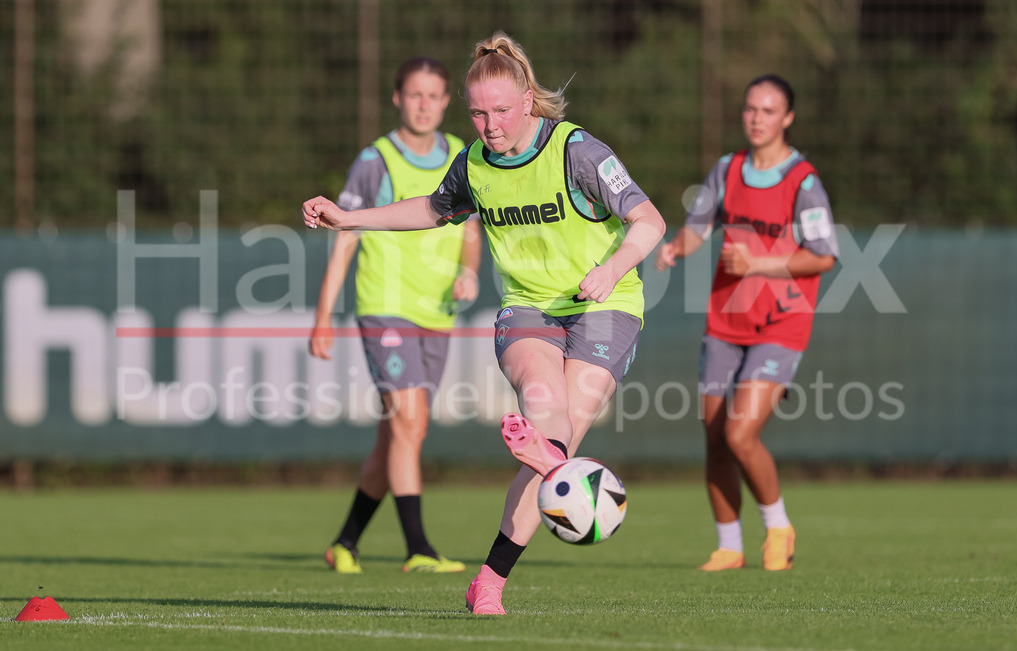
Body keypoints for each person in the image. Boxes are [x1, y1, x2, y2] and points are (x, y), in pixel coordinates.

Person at [303, 31, 666, 614]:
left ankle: (493, 570)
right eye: (478, 113)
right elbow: (429, 209)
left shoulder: (576, 150)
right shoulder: (474, 163)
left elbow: (649, 221)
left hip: (606, 301)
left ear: (527, 99)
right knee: (546, 403)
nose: (490, 125)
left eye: (501, 110)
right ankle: (545, 477)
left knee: (561, 429)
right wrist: (350, 218)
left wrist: (614, 265)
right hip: (529, 307)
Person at [655, 74, 839, 572]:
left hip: (781, 325)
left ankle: (778, 525)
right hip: (724, 323)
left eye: (769, 110)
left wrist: (760, 265)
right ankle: (728, 546)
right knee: (714, 436)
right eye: (750, 109)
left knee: (740, 435)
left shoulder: (803, 181)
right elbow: (699, 225)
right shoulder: (727, 169)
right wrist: (676, 247)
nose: (757, 118)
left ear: (788, 118)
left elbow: (824, 256)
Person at [310, 56, 482, 575]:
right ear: (397, 99)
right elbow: (345, 239)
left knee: (399, 434)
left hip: (439, 313)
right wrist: (323, 316)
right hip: (385, 309)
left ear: (447, 101)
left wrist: (470, 271)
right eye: (414, 95)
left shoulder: (463, 155)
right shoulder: (376, 159)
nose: (424, 105)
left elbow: (470, 230)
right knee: (408, 424)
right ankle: (419, 549)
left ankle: (345, 542)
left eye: (434, 95)